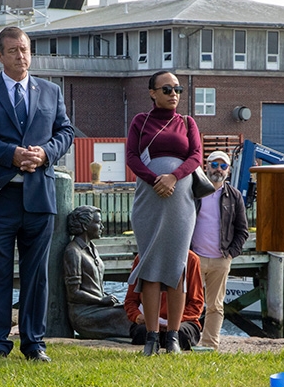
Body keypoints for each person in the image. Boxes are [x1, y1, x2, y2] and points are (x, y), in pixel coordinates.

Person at [0, 26, 74, 361]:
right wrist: (11, 153)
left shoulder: (51, 91)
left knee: (36, 275)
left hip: (39, 194)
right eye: (13, 50)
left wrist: (45, 153)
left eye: (24, 49)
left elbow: (65, 131)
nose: (20, 56)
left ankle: (34, 343)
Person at [125, 71, 203, 356]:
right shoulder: (140, 121)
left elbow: (196, 155)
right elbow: (132, 156)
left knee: (176, 266)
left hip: (180, 199)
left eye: (177, 89)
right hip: (149, 196)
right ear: (152, 93)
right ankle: (150, 337)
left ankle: (172, 337)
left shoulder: (187, 122)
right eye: (167, 89)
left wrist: (173, 177)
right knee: (150, 266)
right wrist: (153, 179)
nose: (174, 94)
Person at [190, 150, 249, 350]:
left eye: (223, 166)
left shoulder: (235, 196)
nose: (218, 170)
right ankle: (185, 339)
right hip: (194, 257)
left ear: (229, 170)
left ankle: (209, 343)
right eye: (214, 165)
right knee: (189, 301)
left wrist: (231, 253)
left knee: (215, 305)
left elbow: (242, 230)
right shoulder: (193, 191)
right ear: (206, 166)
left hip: (221, 258)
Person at [62, 205, 126, 339]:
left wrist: (106, 298)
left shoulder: (93, 248)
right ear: (85, 225)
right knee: (128, 314)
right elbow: (73, 293)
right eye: (98, 222)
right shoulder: (73, 252)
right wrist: (101, 300)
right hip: (85, 313)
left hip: (99, 307)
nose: (102, 226)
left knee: (133, 308)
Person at [125, 250, 204, 352]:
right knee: (141, 332)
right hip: (149, 321)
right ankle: (157, 338)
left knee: (182, 335)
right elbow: (130, 300)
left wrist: (177, 321)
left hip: (183, 321)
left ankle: (168, 337)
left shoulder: (191, 259)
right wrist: (137, 316)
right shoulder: (142, 257)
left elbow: (196, 303)